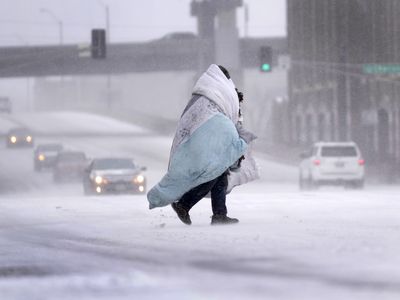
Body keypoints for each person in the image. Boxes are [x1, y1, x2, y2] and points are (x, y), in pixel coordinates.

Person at [147, 64, 258, 225]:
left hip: (200, 138)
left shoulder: (203, 94)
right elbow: (229, 114)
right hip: (208, 138)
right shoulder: (221, 91)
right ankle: (184, 204)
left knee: (219, 175)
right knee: (213, 173)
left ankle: (219, 214)